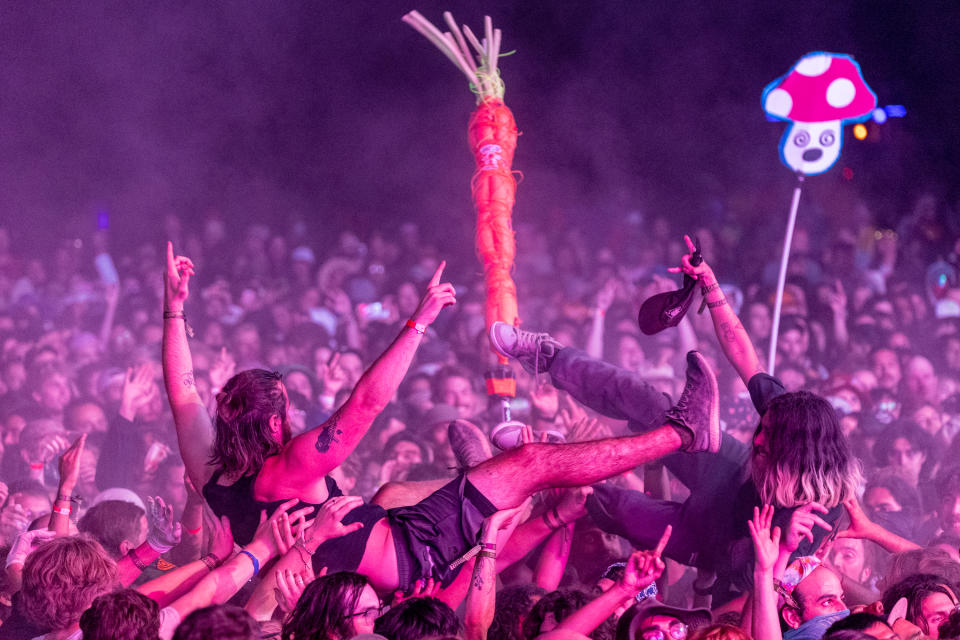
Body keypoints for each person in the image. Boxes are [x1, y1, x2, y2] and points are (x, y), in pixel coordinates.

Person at [162, 242, 722, 595]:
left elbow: (183, 394)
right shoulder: (292, 466)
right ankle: (684, 430)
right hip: (414, 553)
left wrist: (175, 307)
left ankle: (483, 477)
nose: (297, 413)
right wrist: (419, 322)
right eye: (287, 406)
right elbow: (366, 404)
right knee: (532, 462)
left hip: (381, 543)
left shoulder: (214, 473)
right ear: (271, 426)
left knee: (391, 489)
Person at [489, 235, 862, 604]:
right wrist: (710, 286)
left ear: (799, 458)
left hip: (712, 537)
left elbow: (751, 581)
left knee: (609, 507)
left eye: (768, 440)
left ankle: (542, 454)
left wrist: (778, 543)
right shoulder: (788, 415)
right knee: (647, 402)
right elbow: (741, 349)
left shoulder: (813, 519)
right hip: (729, 471)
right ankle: (548, 355)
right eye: (763, 429)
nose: (758, 438)